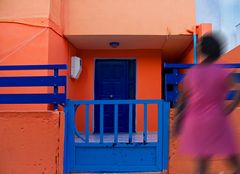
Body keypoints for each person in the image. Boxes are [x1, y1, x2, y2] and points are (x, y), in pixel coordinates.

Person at [173, 32, 240, 174]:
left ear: (202, 50)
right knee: (233, 159)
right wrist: (229, 108)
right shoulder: (221, 72)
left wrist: (177, 121)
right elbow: (239, 91)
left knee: (202, 164)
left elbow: (182, 101)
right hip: (217, 120)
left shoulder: (192, 73)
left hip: (196, 122)